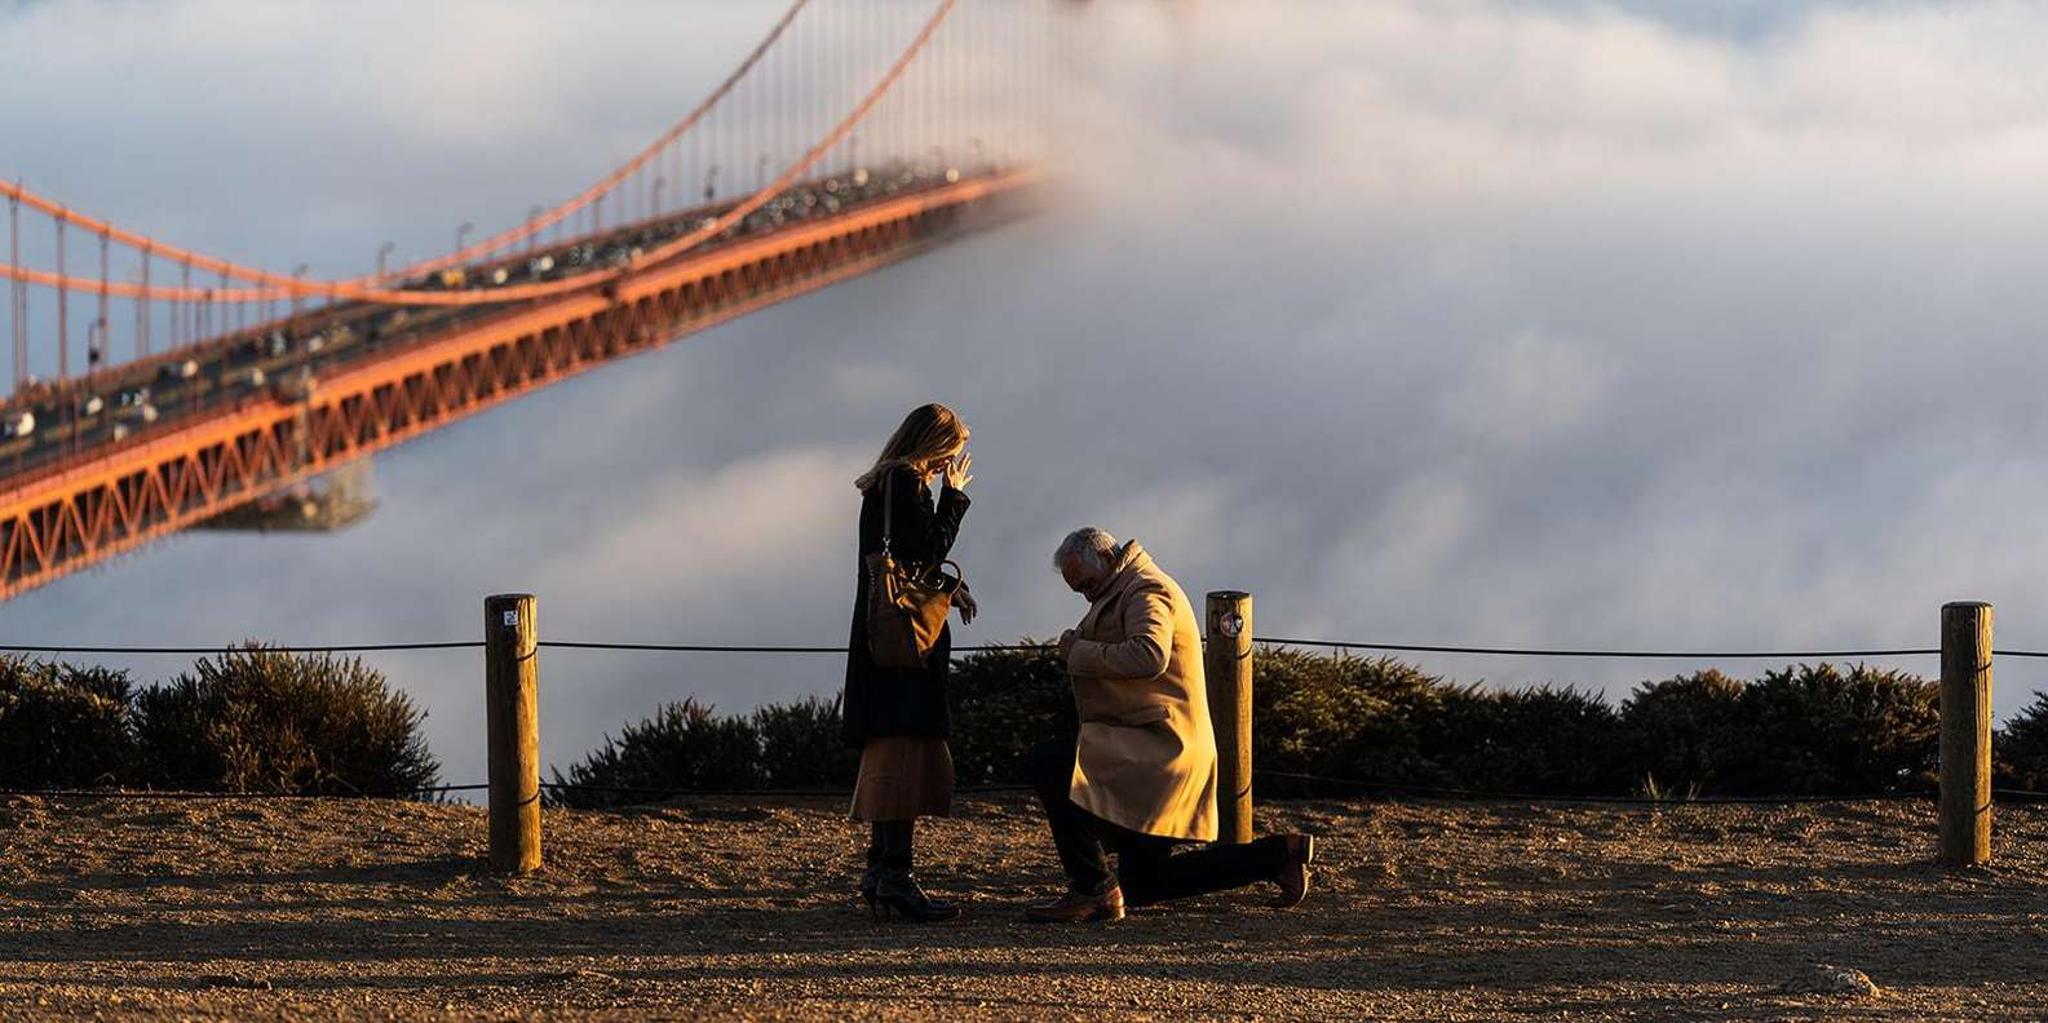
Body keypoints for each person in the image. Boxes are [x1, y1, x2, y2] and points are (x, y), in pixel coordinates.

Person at [1025, 527, 1314, 923]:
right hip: (1148, 744)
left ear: (1108, 559)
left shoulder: (1147, 590)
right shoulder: (1124, 587)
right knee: (1145, 884)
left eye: (1087, 585)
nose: (1086, 595)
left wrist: (1079, 650)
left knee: (1053, 762)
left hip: (1158, 749)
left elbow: (1149, 655)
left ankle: (1092, 889)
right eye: (1079, 591)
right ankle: (1279, 854)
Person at [844, 403, 978, 922]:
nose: (951, 462)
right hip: (903, 646)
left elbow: (910, 560)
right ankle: (895, 876)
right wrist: (957, 497)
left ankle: (882, 870)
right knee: (903, 749)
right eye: (949, 451)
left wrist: (952, 588)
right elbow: (930, 544)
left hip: (882, 636)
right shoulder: (905, 483)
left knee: (893, 749)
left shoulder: (884, 484)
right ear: (932, 444)